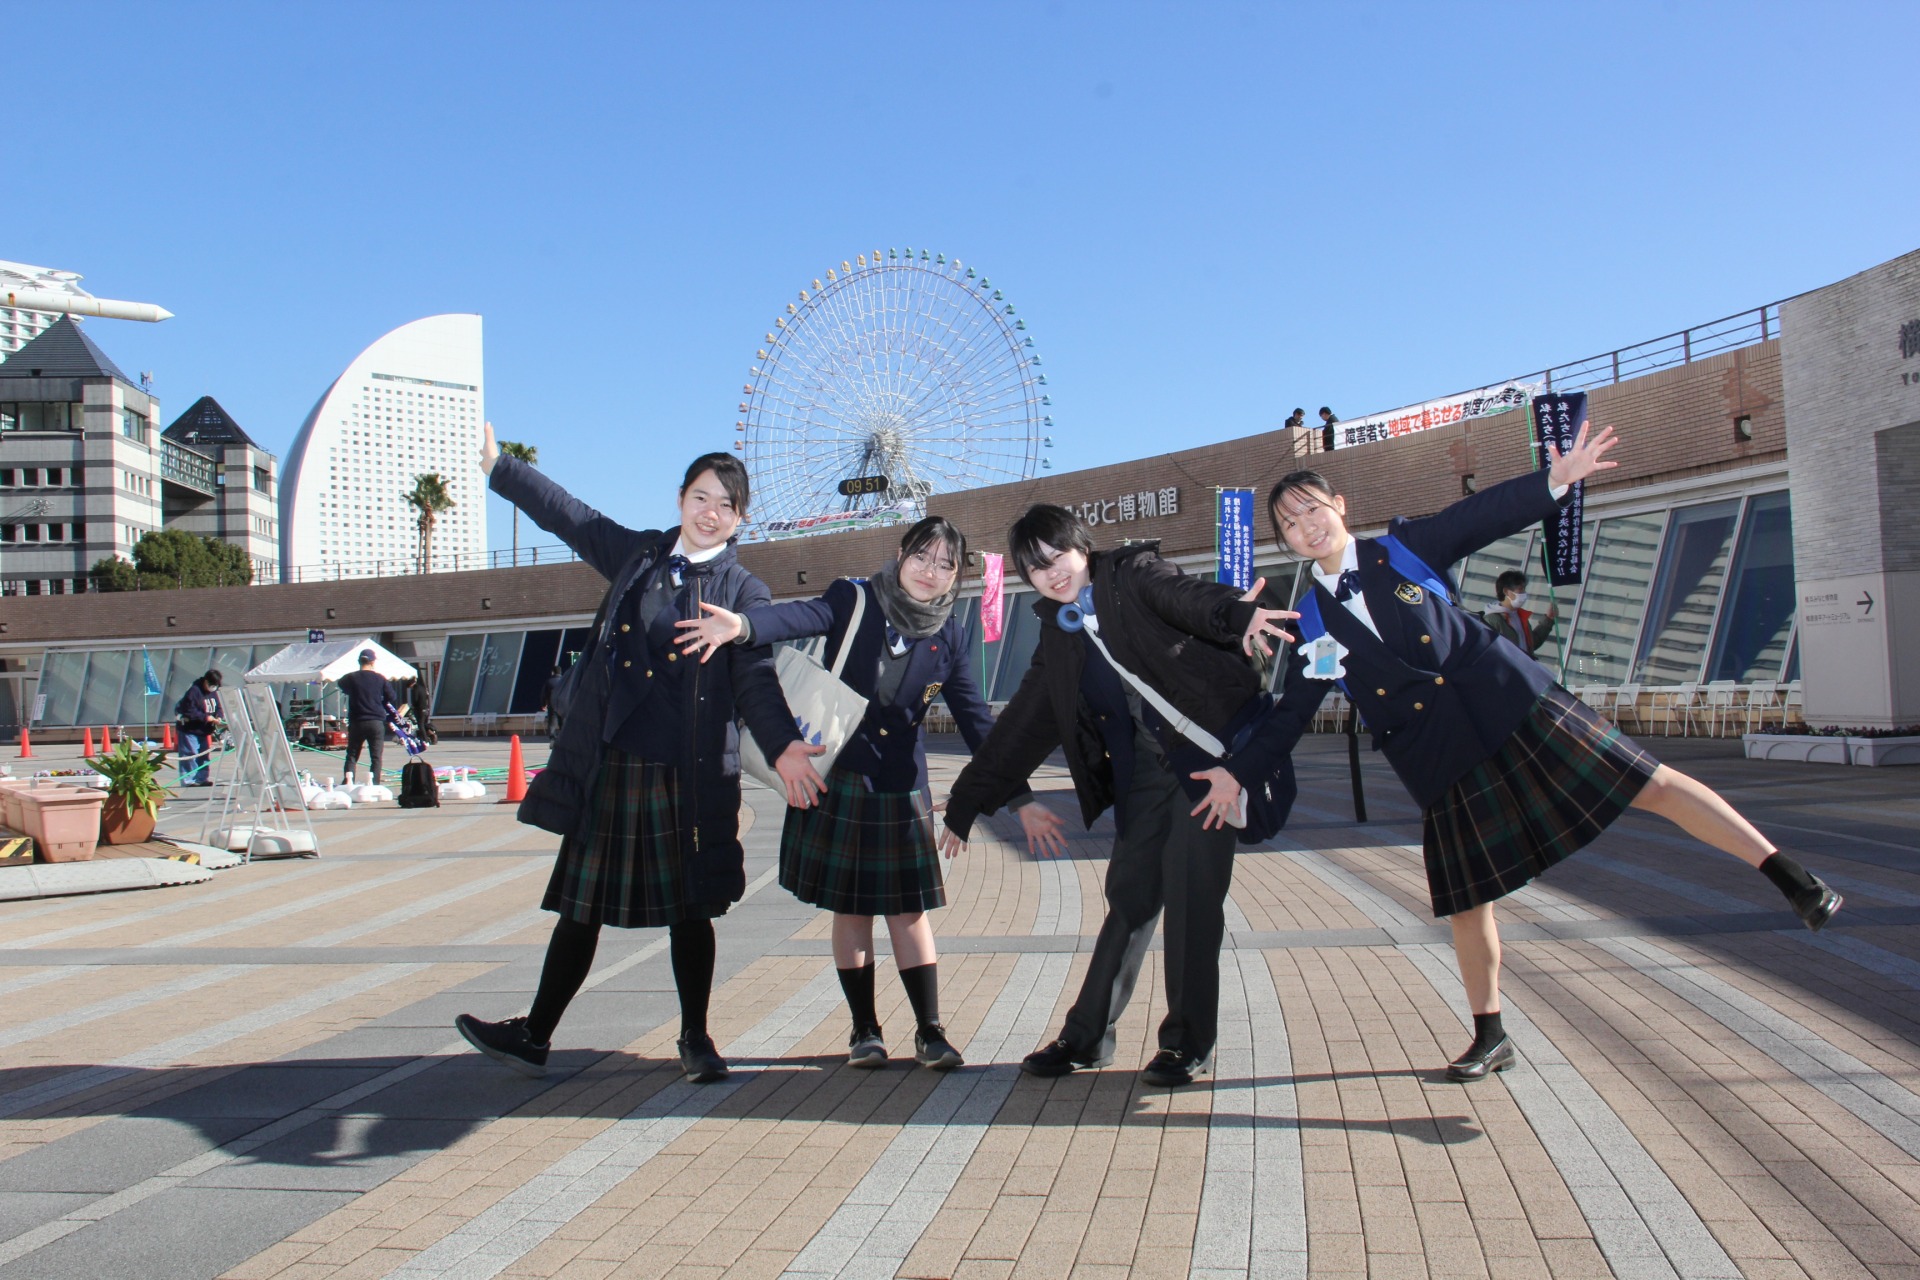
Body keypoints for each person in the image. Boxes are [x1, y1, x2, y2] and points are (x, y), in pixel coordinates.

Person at [1256, 421, 1842, 1082]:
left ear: (1340, 507)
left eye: (1312, 508)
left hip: (1512, 702)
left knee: (1649, 782)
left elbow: (1481, 516)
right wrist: (1237, 773)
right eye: (1289, 523)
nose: (1306, 526)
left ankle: (1790, 877)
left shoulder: (1404, 549)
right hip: (1439, 752)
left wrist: (1554, 481)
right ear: (1285, 542)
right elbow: (1293, 711)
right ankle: (1490, 1035)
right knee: (1469, 900)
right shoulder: (1309, 619)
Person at [456, 424, 826, 1083]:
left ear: (741, 518)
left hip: (689, 770)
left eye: (726, 505)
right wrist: (500, 468)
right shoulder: (640, 556)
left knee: (692, 908)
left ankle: (697, 1039)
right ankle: (535, 1035)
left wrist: (783, 746)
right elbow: (573, 517)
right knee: (581, 905)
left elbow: (755, 680)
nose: (710, 513)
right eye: (701, 497)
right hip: (615, 761)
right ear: (680, 498)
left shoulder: (742, 592)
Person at [936, 504, 1298, 1088]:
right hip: (1145, 774)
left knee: (1192, 899)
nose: (1052, 573)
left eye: (1058, 556)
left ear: (1083, 547)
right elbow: (1021, 725)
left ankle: (1186, 1043)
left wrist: (1237, 614)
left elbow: (1187, 598)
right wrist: (965, 801)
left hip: (1208, 764)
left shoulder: (1132, 574)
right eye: (1036, 568)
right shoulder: (1058, 632)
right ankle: (1085, 1038)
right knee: (1129, 898)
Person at [676, 516, 1009, 1071]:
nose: (930, 571)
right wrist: (743, 625)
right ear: (901, 554)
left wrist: (1011, 783)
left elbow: (973, 713)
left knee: (909, 911)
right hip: (841, 775)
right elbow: (798, 617)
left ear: (956, 576)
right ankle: (864, 1030)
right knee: (851, 908)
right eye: (922, 557)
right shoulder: (855, 599)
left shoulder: (951, 631)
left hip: (901, 784)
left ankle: (930, 1031)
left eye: (945, 565)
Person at [335, 650, 400, 787]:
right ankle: (374, 784)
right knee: (376, 757)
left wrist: (353, 692)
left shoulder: (350, 678)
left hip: (357, 721)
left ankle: (348, 782)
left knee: (352, 755)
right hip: (375, 721)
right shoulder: (380, 678)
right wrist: (380, 700)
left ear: (359, 662)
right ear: (373, 662)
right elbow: (392, 697)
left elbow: (341, 684)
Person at [1482, 570, 1555, 661]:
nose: (1524, 593)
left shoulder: (1519, 616)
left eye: (1524, 589)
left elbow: (1530, 645)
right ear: (1506, 591)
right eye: (1520, 589)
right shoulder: (1492, 620)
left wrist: (1548, 620)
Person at [174, 670, 223, 786]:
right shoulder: (194, 691)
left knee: (203, 754)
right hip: (190, 729)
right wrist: (206, 718)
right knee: (190, 754)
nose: (213, 688)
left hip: (204, 730)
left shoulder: (214, 693)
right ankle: (188, 779)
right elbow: (189, 711)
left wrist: (219, 716)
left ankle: (202, 778)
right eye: (211, 685)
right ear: (206, 681)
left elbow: (219, 707)